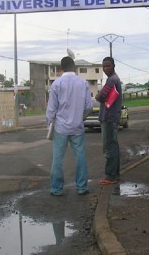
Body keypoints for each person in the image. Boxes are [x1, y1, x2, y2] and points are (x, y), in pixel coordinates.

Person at [46, 56, 93, 196]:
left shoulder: (57, 84)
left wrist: (48, 123)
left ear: (61, 69)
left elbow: (51, 109)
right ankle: (82, 187)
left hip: (61, 127)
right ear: (74, 67)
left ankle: (57, 189)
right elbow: (88, 106)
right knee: (80, 157)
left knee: (58, 158)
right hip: (77, 127)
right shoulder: (83, 82)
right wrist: (80, 117)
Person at [95, 56, 123, 185]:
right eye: (104, 66)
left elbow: (101, 97)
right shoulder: (114, 79)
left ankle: (110, 176)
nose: (106, 68)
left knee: (109, 147)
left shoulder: (112, 80)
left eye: (108, 66)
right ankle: (115, 174)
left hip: (108, 118)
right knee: (114, 146)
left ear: (113, 66)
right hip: (112, 117)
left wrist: (97, 95)